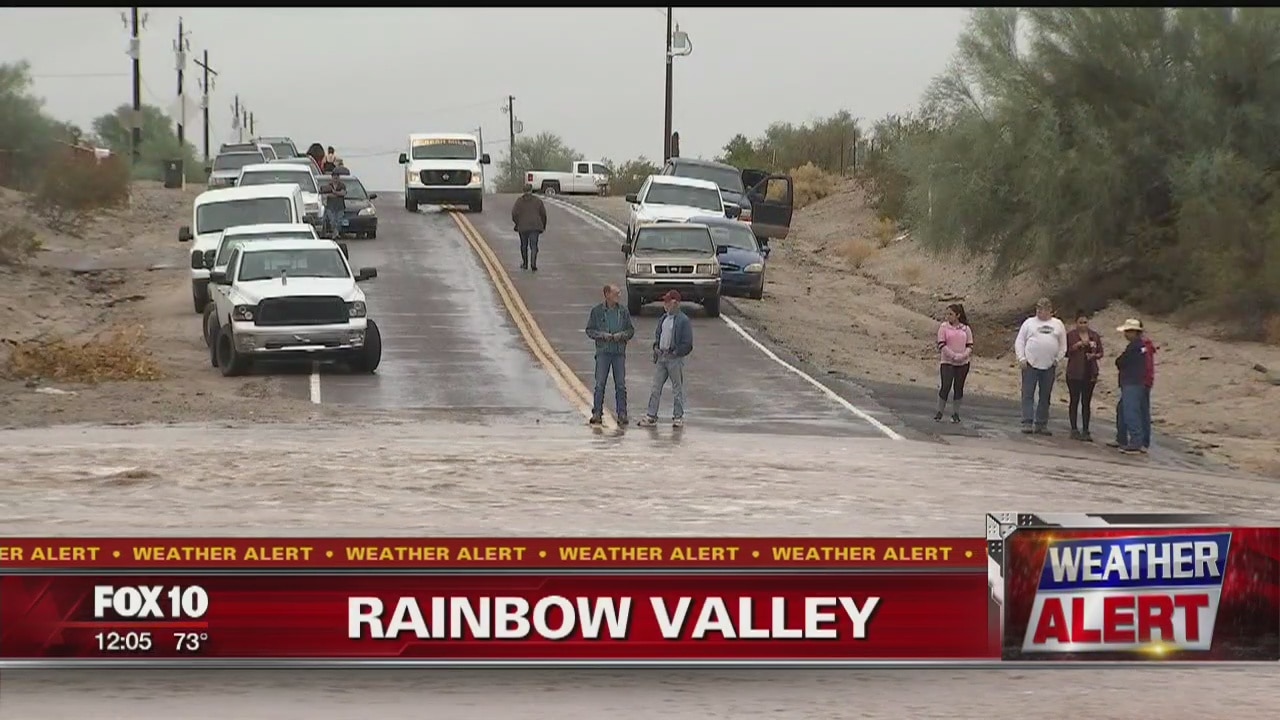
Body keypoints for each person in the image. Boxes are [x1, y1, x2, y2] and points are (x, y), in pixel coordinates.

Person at [637, 290, 694, 428]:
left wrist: (677, 352)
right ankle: (651, 415)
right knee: (656, 388)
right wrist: (656, 347)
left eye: (667, 302)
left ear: (675, 303)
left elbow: (688, 343)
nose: (665, 304)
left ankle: (678, 416)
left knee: (677, 388)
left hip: (674, 358)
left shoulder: (683, 320)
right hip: (662, 357)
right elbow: (658, 335)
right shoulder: (663, 319)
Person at [1014, 297, 1067, 435]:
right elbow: (1020, 341)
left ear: (1050, 310)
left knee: (1045, 395)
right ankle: (1027, 421)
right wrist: (1021, 358)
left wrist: (1057, 359)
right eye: (1038, 308)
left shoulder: (1058, 324)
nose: (1040, 311)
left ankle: (1041, 423)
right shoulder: (1029, 323)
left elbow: (1063, 345)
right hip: (1030, 364)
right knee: (1028, 393)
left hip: (1049, 365)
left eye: (1043, 308)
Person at [584, 285, 635, 425]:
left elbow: (630, 330)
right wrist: (602, 336)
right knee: (600, 383)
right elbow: (590, 330)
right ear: (607, 294)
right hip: (603, 352)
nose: (618, 296)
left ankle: (622, 413)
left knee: (620, 384)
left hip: (618, 352)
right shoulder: (597, 311)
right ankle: (597, 412)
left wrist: (622, 335)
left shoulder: (623, 311)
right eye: (615, 293)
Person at [1064, 310, 1104, 441]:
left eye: (1085, 322)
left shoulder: (1094, 336)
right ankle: (1074, 428)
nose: (1083, 325)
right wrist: (1077, 346)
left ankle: (1086, 430)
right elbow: (1065, 352)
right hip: (1074, 372)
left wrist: (1094, 355)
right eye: (1080, 322)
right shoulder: (1071, 336)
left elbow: (1100, 352)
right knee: (1074, 400)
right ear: (1076, 323)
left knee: (1086, 402)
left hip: (1090, 371)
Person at [1112, 318, 1149, 454]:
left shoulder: (1135, 347)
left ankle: (1135, 442)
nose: (1126, 334)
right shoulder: (1139, 346)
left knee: (1130, 411)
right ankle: (1122, 439)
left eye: (1128, 331)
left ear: (1135, 332)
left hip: (1132, 383)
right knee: (1122, 410)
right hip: (1134, 382)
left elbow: (1121, 361)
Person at [935, 303, 973, 424]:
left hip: (963, 363)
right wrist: (952, 355)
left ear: (958, 315)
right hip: (947, 362)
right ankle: (940, 411)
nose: (948, 316)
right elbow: (941, 344)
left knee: (958, 387)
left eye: (950, 314)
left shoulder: (966, 329)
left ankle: (956, 413)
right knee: (945, 386)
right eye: (947, 314)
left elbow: (970, 345)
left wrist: (963, 356)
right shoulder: (944, 327)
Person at [510, 184, 547, 271]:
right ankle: (533, 263)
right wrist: (543, 226)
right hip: (535, 226)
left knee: (524, 245)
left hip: (522, 227)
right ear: (531, 190)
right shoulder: (537, 201)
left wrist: (517, 223)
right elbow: (543, 215)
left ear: (523, 191)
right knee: (534, 246)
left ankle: (525, 264)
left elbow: (514, 214)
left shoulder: (519, 201)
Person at [320, 171, 346, 239]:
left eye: (337, 178)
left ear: (339, 178)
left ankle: (336, 233)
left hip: (340, 207)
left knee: (339, 221)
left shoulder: (342, 185)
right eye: (334, 178)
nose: (335, 179)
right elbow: (326, 195)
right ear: (332, 178)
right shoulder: (328, 186)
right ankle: (335, 234)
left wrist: (334, 192)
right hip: (330, 207)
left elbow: (343, 193)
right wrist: (338, 194)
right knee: (332, 221)